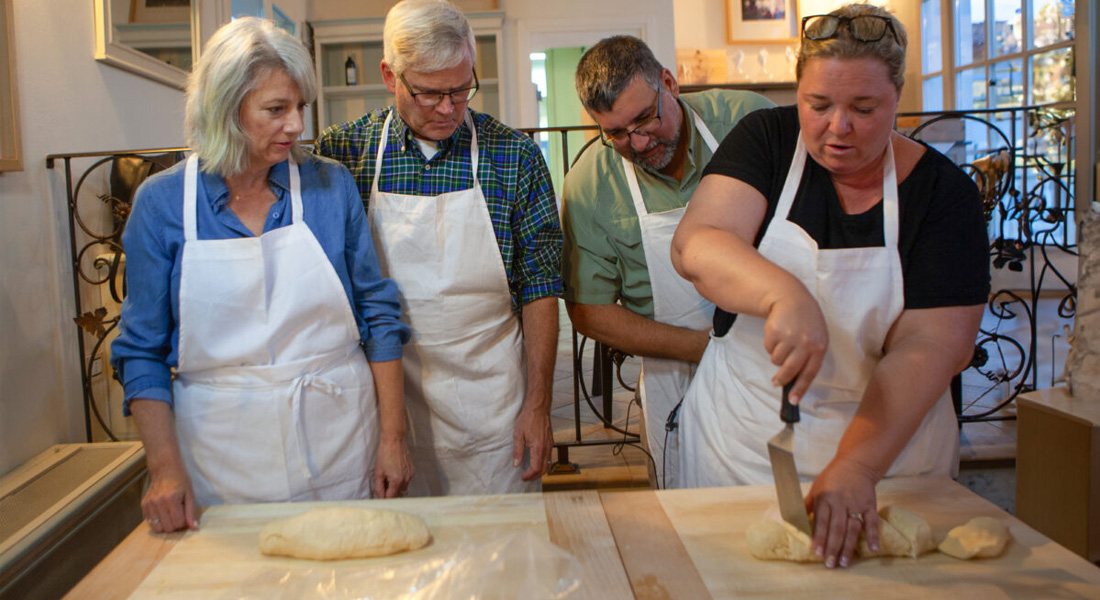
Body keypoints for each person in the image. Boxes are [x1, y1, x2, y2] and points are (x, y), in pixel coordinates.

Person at [670, 4, 989, 569]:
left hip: (891, 451)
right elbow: (697, 244)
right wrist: (784, 295)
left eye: (863, 109)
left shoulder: (944, 195)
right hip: (749, 442)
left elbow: (934, 344)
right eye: (818, 105)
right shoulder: (767, 139)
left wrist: (860, 465)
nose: (837, 127)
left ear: (897, 96)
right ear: (799, 93)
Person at [111, 17, 414, 534]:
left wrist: (393, 438)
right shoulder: (162, 205)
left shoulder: (328, 186)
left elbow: (378, 315)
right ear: (226, 109)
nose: (297, 125)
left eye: (300, 107)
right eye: (276, 109)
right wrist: (164, 470)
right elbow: (141, 351)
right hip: (220, 457)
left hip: (339, 443)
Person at [314, 0, 562, 497]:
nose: (449, 108)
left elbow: (540, 290)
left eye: (462, 89)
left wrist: (537, 406)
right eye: (430, 94)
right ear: (390, 76)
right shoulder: (343, 154)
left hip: (492, 406)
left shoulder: (514, 157)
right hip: (385, 402)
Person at [562, 36, 774, 488]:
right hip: (675, 373)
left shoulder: (749, 121)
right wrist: (707, 349)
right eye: (616, 133)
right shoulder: (590, 184)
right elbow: (588, 311)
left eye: (644, 119)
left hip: (776, 353)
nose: (637, 143)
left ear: (670, 83)